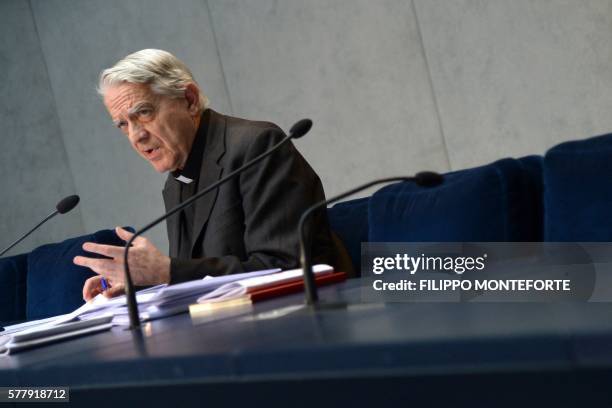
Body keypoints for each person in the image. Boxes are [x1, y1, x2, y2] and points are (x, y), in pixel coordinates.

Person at [74, 49, 341, 300]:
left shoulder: (256, 146)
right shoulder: (177, 179)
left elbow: (285, 266)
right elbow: (201, 273)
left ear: (189, 100)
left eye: (143, 113)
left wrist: (168, 272)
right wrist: (144, 285)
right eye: (123, 124)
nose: (136, 136)